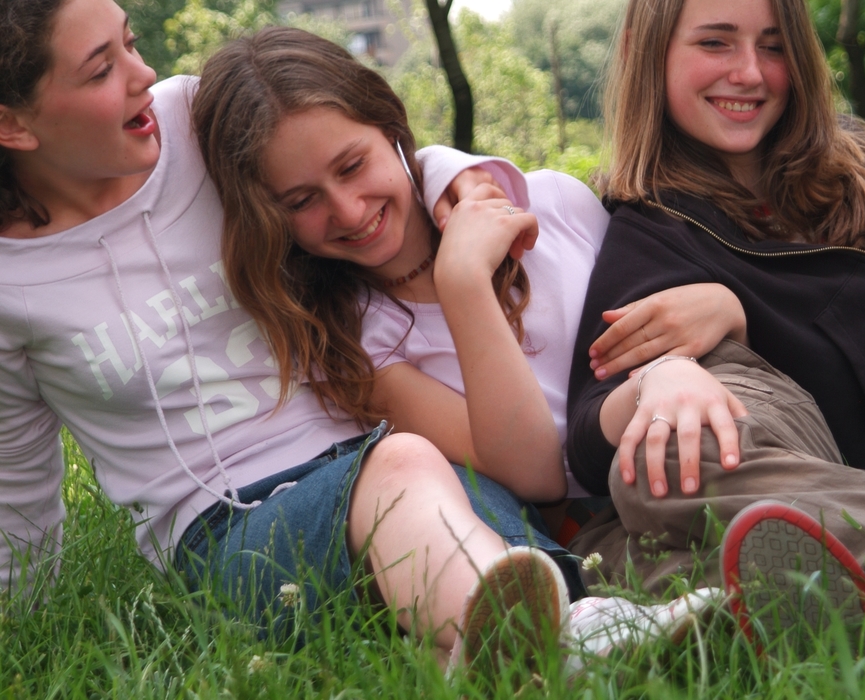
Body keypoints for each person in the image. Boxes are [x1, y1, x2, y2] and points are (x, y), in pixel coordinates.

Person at [0, 0, 691, 674]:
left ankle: (479, 650)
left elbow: (343, 132)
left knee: (425, 483)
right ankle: (573, 630)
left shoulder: (194, 121)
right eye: (99, 69)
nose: (141, 72)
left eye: (129, 40)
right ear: (12, 124)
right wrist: (25, 633)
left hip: (392, 450)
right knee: (406, 469)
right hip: (229, 528)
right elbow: (16, 485)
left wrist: (456, 176)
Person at [190, 26, 725, 667]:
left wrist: (727, 307)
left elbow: (667, 316)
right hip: (597, 533)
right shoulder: (353, 350)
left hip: (694, 435)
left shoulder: (554, 204)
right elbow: (534, 475)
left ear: (392, 126)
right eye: (302, 201)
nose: (349, 209)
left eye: (353, 165)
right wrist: (464, 283)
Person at [562, 0, 865, 640]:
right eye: (715, 43)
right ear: (643, 53)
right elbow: (594, 444)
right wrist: (669, 370)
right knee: (680, 461)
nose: (750, 73)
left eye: (773, 45)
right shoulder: (653, 235)